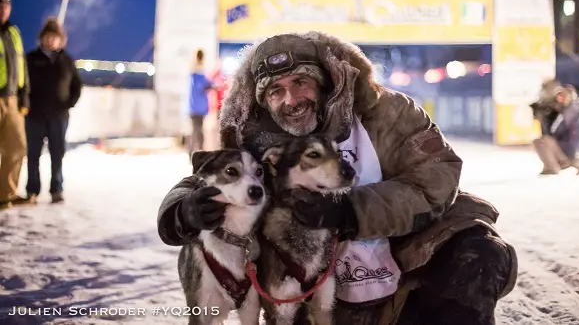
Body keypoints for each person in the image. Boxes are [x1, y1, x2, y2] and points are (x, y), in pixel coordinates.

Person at [158, 32, 517, 325]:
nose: (291, 100)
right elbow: (207, 177)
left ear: (326, 82)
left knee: (479, 251)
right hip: (307, 283)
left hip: (406, 264)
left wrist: (350, 211)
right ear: (263, 101)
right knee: (202, 242)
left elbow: (436, 176)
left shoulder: (387, 113)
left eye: (301, 82)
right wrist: (182, 210)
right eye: (275, 91)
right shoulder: (255, 137)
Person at [24, 18, 82, 204]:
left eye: (55, 37)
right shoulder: (31, 59)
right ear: (42, 38)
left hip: (59, 116)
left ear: (61, 39)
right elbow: (23, 84)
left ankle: (56, 188)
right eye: (48, 37)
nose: (51, 41)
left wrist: (69, 104)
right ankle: (32, 190)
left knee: (57, 153)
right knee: (33, 154)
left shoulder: (66, 60)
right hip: (34, 115)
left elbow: (77, 85)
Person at [0, 0, 30, 210]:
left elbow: (22, 66)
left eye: (6, 5)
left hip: (12, 98)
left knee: (17, 146)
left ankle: (6, 194)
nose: (3, 9)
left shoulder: (13, 32)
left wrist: (24, 95)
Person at [532, 81, 579, 175]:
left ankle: (566, 161)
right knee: (538, 141)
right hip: (561, 144)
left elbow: (557, 129)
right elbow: (547, 132)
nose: (560, 99)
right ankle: (551, 165)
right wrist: (544, 118)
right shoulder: (559, 111)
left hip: (569, 146)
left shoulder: (573, 108)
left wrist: (556, 112)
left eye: (563, 96)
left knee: (546, 140)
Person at [187, 49, 213, 157]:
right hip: (198, 107)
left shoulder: (194, 70)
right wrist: (210, 85)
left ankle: (195, 152)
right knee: (197, 131)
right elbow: (201, 85)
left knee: (197, 131)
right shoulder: (197, 72)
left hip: (196, 107)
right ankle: (195, 152)